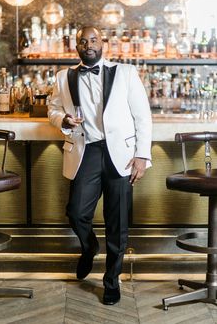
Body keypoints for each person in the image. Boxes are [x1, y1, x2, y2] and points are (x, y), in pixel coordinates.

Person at [48, 26, 152, 305]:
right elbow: (53, 108)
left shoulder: (126, 73)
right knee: (76, 212)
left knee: (118, 223)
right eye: (83, 41)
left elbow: (143, 117)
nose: (88, 45)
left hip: (122, 154)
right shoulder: (63, 77)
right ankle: (89, 246)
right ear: (76, 46)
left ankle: (111, 281)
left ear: (102, 43)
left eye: (93, 40)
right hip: (86, 151)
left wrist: (142, 155)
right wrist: (63, 121)